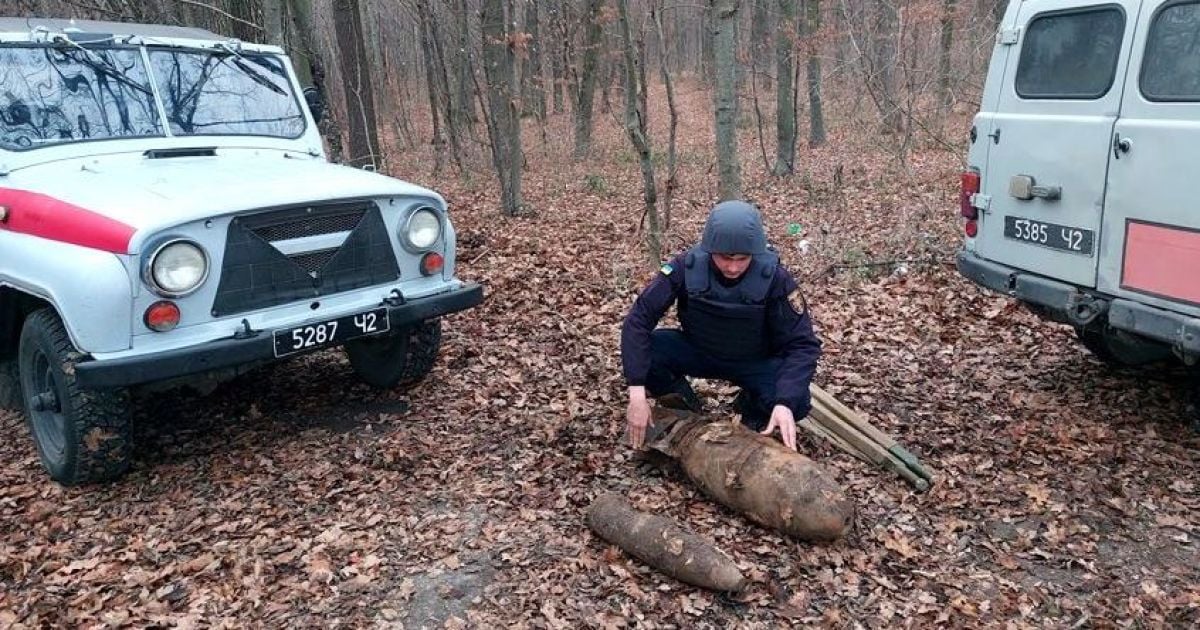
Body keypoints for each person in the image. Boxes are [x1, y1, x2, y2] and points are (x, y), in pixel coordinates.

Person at [621, 200, 821, 451]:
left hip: (753, 360)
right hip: (699, 349)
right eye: (726, 257)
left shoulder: (775, 278)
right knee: (647, 354)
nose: (733, 267)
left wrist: (784, 402)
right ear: (710, 249)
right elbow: (639, 318)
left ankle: (750, 408)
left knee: (797, 401)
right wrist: (637, 393)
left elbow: (802, 344)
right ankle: (685, 404)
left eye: (742, 258)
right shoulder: (686, 267)